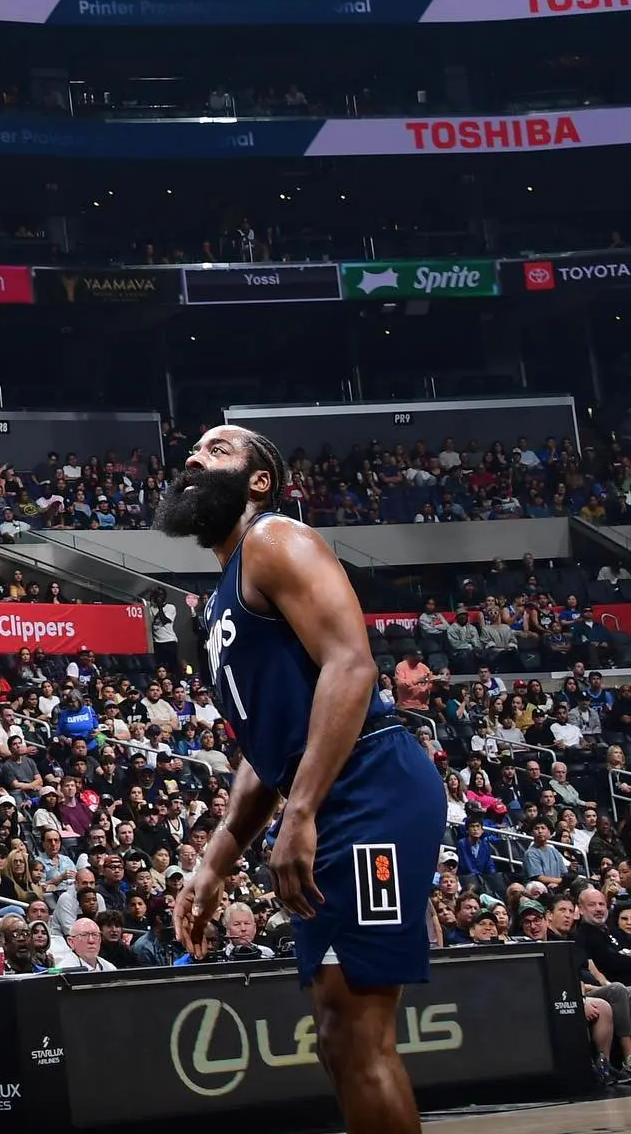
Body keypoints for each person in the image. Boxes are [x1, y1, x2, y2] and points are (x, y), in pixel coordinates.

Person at [162, 426, 445, 1134]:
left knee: (355, 1028)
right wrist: (213, 863)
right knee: (335, 1030)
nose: (195, 459)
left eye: (218, 449)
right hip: (332, 793)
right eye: (191, 452)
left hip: (371, 785)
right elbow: (263, 750)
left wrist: (302, 812)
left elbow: (351, 664)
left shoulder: (275, 539)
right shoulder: (216, 603)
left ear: (259, 480)